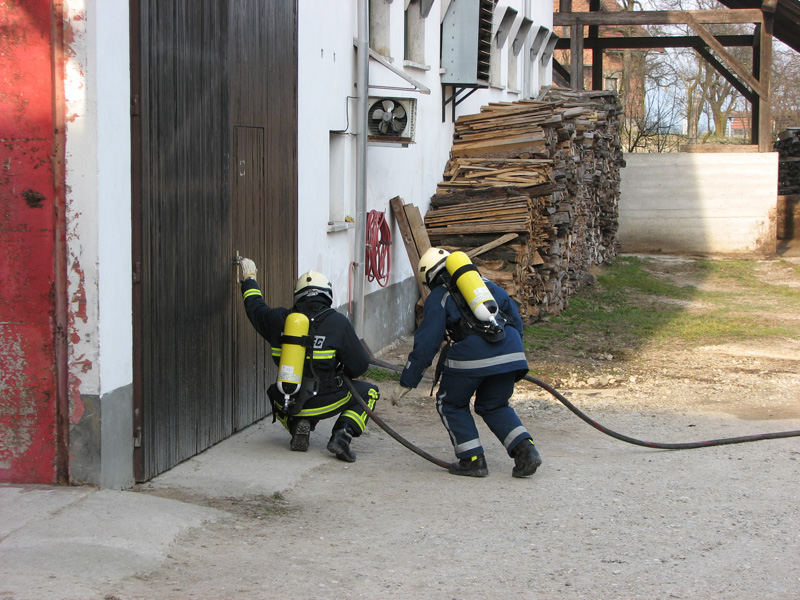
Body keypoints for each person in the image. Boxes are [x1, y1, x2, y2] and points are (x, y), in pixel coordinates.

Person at [390, 247, 541, 478]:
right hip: (511, 349)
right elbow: (514, 316)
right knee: (495, 405)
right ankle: (526, 452)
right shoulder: (486, 285)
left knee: (450, 403)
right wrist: (510, 354)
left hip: (473, 352)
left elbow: (427, 343)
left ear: (430, 277)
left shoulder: (439, 296)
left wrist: (407, 381)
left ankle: (472, 460)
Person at [238, 257, 379, 462]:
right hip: (325, 401)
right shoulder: (338, 323)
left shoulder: (278, 320)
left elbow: (255, 308)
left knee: (273, 391)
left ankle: (296, 424)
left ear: (297, 295)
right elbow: (359, 366)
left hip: (288, 402)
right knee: (369, 392)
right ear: (327, 294)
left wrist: (249, 278)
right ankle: (342, 435)